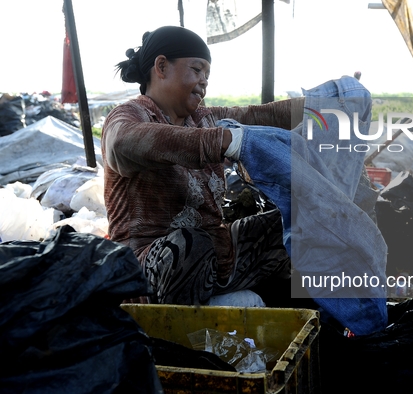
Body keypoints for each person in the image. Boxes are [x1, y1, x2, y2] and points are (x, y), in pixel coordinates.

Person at [103, 25, 388, 336]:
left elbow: (258, 115)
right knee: (189, 243)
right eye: (197, 69)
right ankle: (182, 330)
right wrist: (222, 142)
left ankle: (342, 321)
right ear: (161, 67)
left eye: (207, 76)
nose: (203, 82)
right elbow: (123, 143)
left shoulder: (202, 118)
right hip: (152, 274)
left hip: (216, 260)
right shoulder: (127, 117)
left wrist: (326, 106)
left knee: (299, 224)